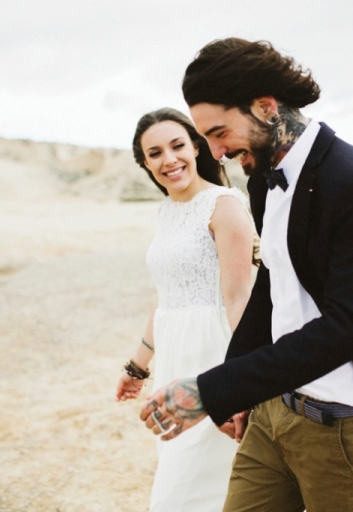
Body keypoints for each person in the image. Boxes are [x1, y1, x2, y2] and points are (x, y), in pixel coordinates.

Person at [140, 39, 353, 511]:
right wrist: (238, 389)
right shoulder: (261, 177)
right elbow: (270, 290)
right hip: (271, 413)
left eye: (219, 132)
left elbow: (346, 327)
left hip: (340, 424)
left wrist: (213, 388)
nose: (214, 152)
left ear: (265, 107)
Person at [116, 107, 255, 512]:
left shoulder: (225, 204)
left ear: (196, 147)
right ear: (145, 163)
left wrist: (243, 383)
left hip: (213, 360)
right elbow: (167, 296)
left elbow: (239, 298)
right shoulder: (168, 210)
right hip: (174, 361)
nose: (169, 160)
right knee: (192, 486)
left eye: (177, 146)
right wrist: (137, 366)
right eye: (155, 153)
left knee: (179, 496)